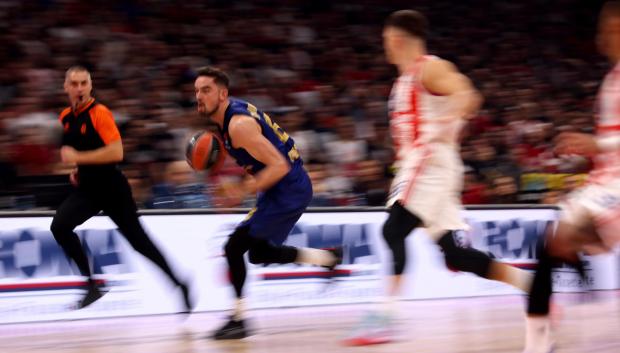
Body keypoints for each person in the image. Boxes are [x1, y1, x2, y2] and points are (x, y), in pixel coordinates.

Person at [343, 10, 533, 345]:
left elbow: (467, 93)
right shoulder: (403, 80)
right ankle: (534, 285)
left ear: (398, 39)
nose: (384, 46)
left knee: (393, 229)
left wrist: (444, 124)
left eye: (386, 39)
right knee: (456, 257)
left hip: (429, 161)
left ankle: (385, 316)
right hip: (424, 165)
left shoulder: (428, 68)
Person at [193, 66, 341, 340]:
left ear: (223, 94)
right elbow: (261, 160)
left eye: (206, 90)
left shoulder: (237, 126)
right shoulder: (230, 118)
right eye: (196, 91)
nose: (199, 96)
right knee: (259, 253)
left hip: (288, 188)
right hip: (280, 186)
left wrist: (240, 190)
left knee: (233, 247)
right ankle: (327, 258)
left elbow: (279, 166)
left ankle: (238, 319)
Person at [51, 66, 192, 311]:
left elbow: (117, 152)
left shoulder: (100, 113)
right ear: (66, 87)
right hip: (88, 189)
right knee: (60, 226)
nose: (79, 88)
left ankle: (180, 284)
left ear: (91, 85)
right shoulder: (66, 116)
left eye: (84, 83)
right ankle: (92, 286)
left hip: (113, 188)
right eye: (74, 83)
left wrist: (79, 159)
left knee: (140, 243)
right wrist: (78, 169)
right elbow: (82, 148)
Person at [523, 2, 620, 352]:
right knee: (551, 243)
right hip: (604, 182)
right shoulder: (611, 80)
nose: (606, 36)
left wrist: (597, 143)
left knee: (559, 241)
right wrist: (588, 154)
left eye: (615, 29)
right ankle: (537, 342)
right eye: (605, 29)